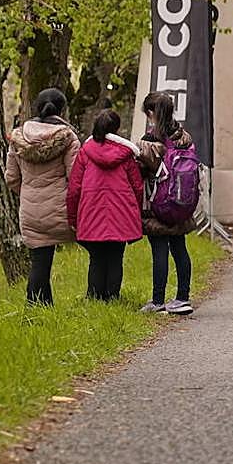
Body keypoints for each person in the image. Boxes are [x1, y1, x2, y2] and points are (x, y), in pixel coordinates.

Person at [6, 88, 80, 306]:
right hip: (60, 212)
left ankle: (36, 310)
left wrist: (28, 194)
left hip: (30, 212)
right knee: (100, 250)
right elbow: (75, 178)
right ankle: (102, 298)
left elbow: (11, 178)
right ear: (62, 110)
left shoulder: (18, 138)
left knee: (40, 263)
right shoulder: (69, 138)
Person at [66, 109, 143, 302]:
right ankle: (113, 297)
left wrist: (73, 217)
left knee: (96, 258)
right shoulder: (126, 154)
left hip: (91, 212)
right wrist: (137, 212)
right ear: (116, 128)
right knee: (116, 257)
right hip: (121, 212)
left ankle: (94, 297)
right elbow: (137, 187)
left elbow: (74, 188)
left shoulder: (85, 153)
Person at [136, 92, 198, 314]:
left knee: (159, 250)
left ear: (151, 113)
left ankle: (158, 300)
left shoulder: (150, 141)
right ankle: (183, 298)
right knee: (180, 248)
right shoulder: (184, 137)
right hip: (181, 202)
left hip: (158, 204)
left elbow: (141, 170)